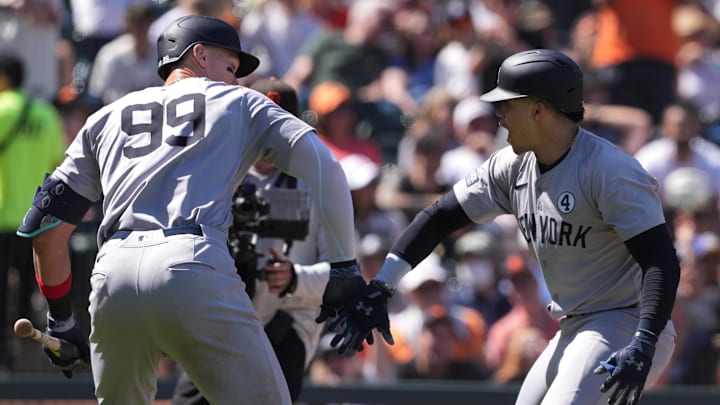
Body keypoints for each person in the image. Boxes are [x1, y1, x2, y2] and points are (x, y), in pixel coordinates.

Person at [16, 15, 366, 404]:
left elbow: (45, 227)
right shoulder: (239, 101)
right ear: (198, 54)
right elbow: (326, 167)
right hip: (192, 263)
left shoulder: (106, 116)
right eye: (231, 67)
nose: (235, 79)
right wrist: (344, 267)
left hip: (112, 274)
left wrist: (61, 319)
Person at [328, 49, 680, 405]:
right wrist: (382, 286)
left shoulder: (610, 170)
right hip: (574, 324)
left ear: (539, 110)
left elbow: (660, 261)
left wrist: (644, 340)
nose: (498, 114)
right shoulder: (512, 164)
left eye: (507, 104)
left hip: (627, 321)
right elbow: (440, 216)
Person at [172, 77, 331, 403]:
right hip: (225, 314)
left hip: (286, 319)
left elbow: (344, 273)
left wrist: (295, 278)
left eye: (279, 125)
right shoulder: (218, 176)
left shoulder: (319, 182)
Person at [0, 53, 66, 371]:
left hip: (2, 218)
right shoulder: (46, 113)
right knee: (29, 294)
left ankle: (4, 360)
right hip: (36, 222)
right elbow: (57, 163)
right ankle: (28, 359)